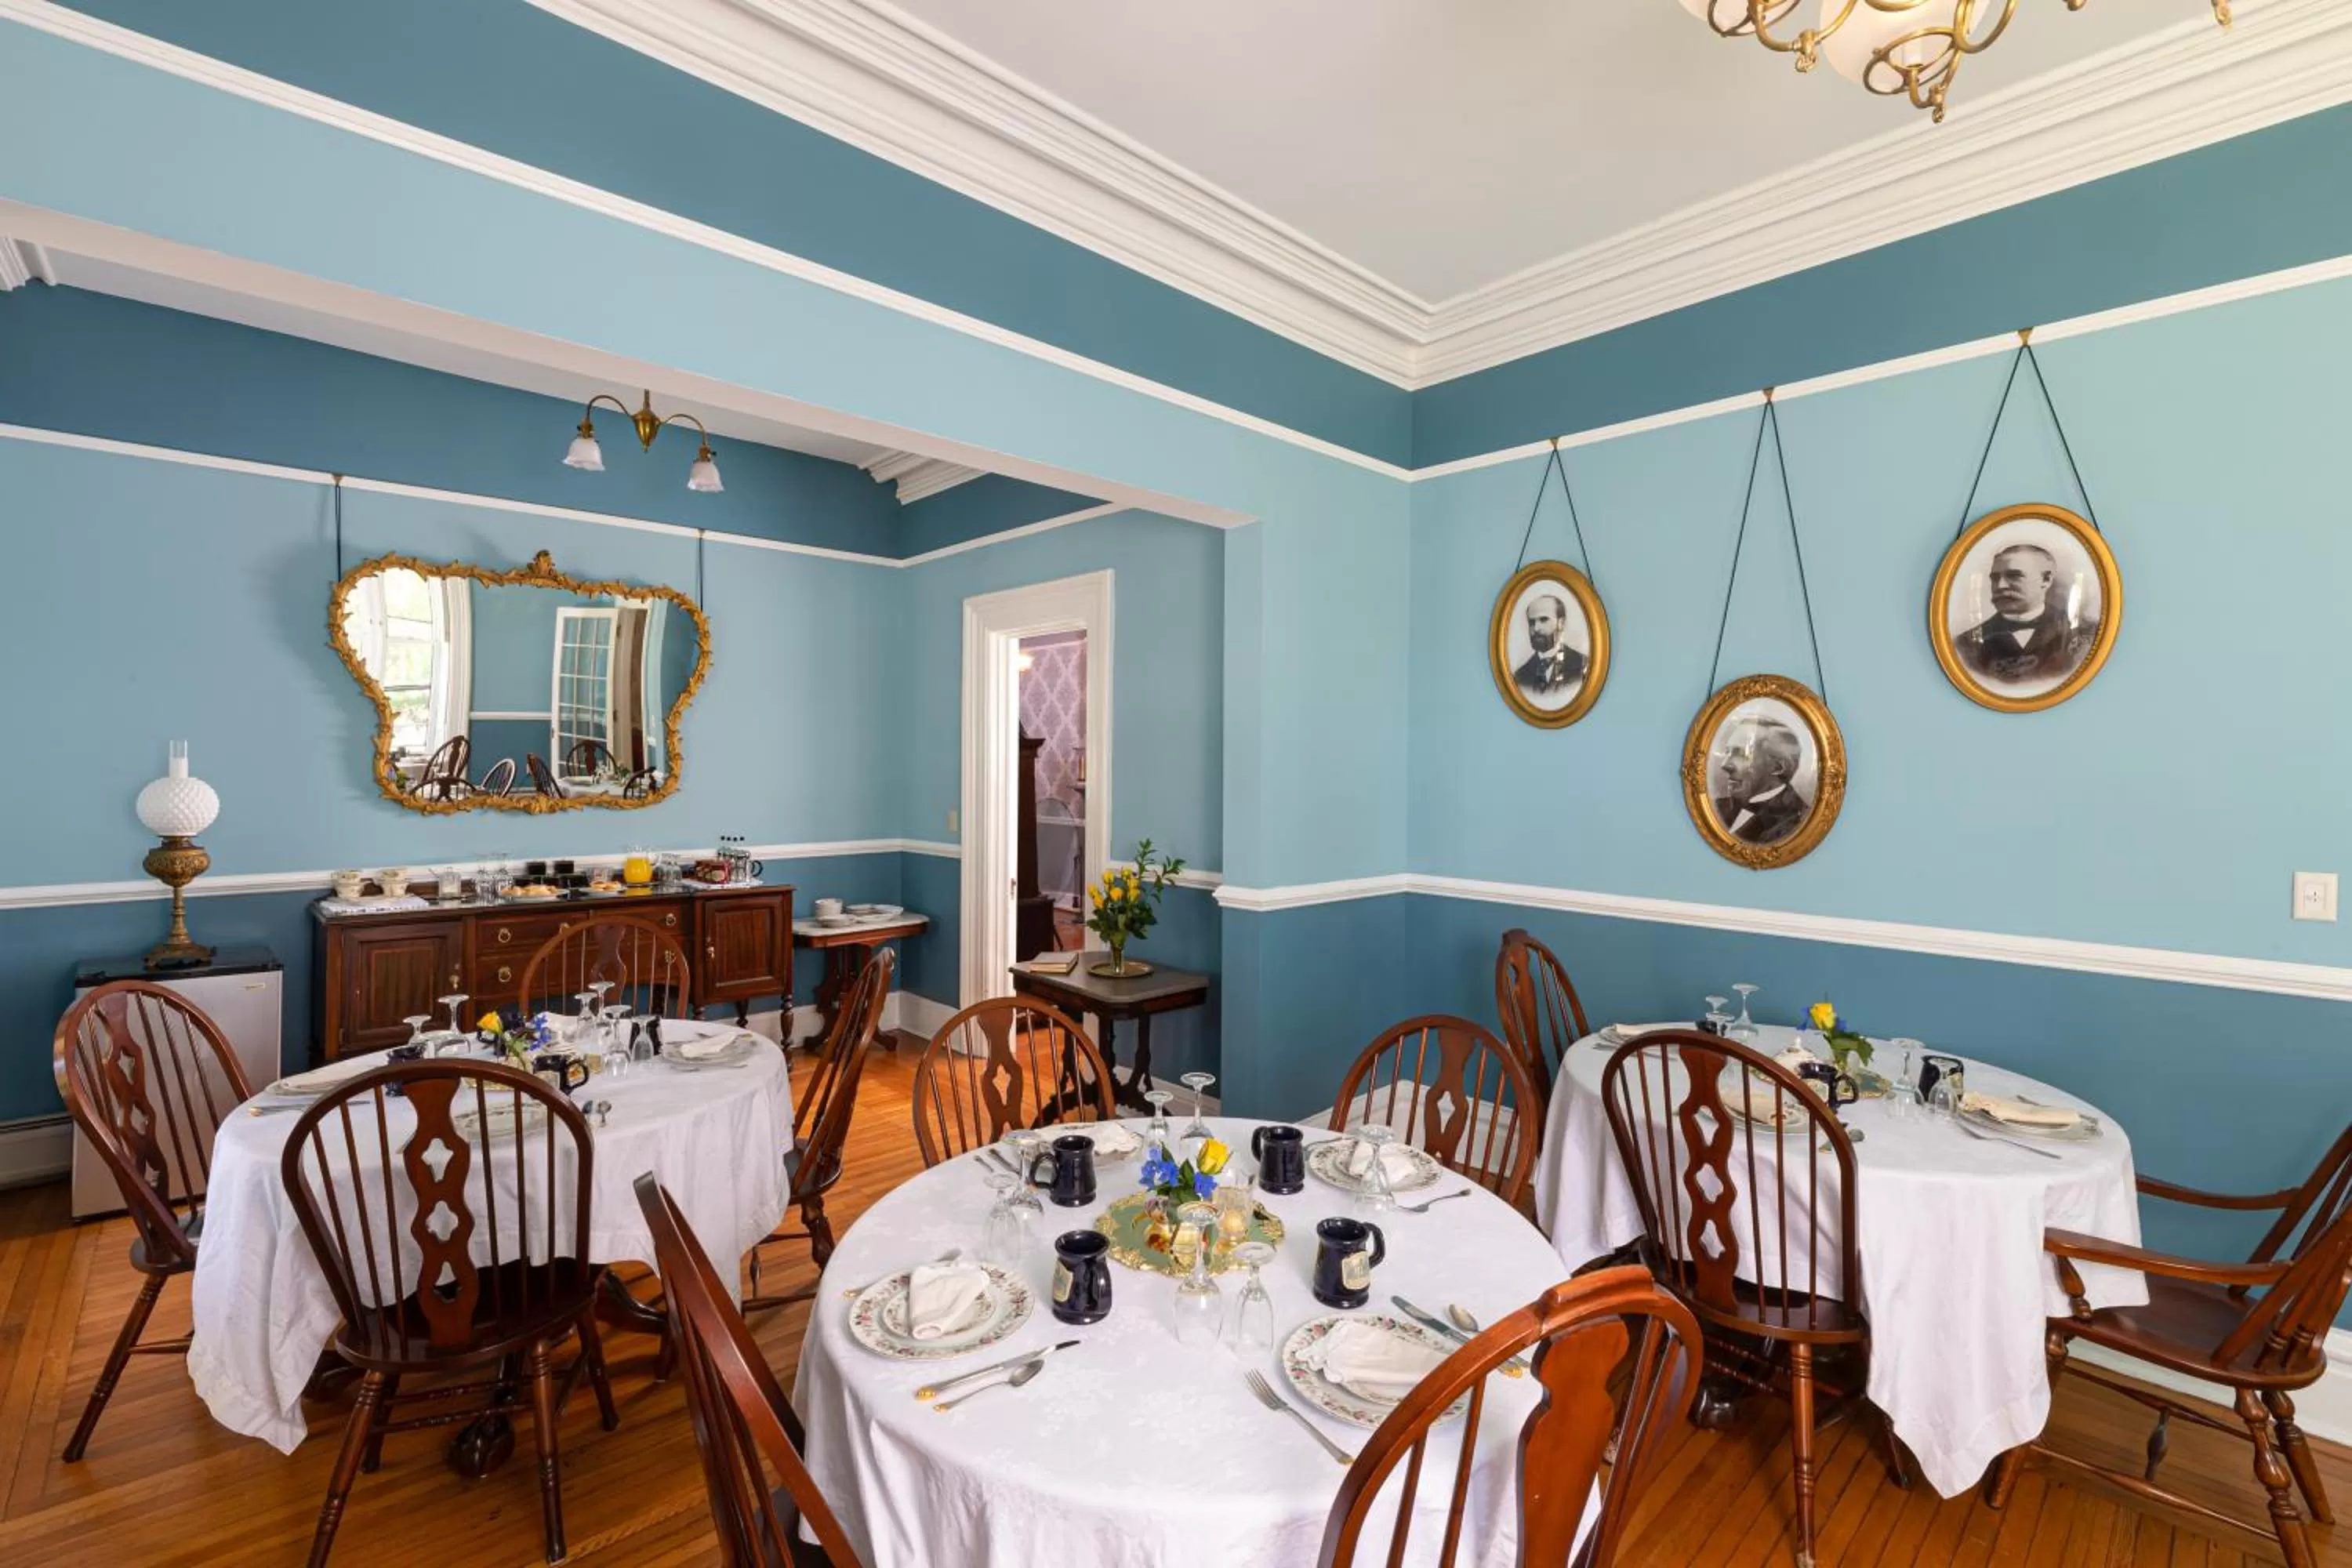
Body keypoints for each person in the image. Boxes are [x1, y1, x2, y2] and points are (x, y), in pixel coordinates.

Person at [1955, 542, 2099, 686]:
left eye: (2014, 576)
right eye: (1995, 578)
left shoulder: (2087, 633)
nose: (2000, 586)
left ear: (2046, 580)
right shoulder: (1965, 645)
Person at [1711, 717, 1809, 847]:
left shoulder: (1798, 823)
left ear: (1777, 768)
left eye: (1741, 754)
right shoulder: (1715, 808)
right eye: (1727, 752)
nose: (1725, 765)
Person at [1512, 590, 1586, 700]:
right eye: (1532, 622)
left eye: (1544, 619)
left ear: (1561, 623)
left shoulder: (1582, 664)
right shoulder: (1520, 676)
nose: (1536, 628)